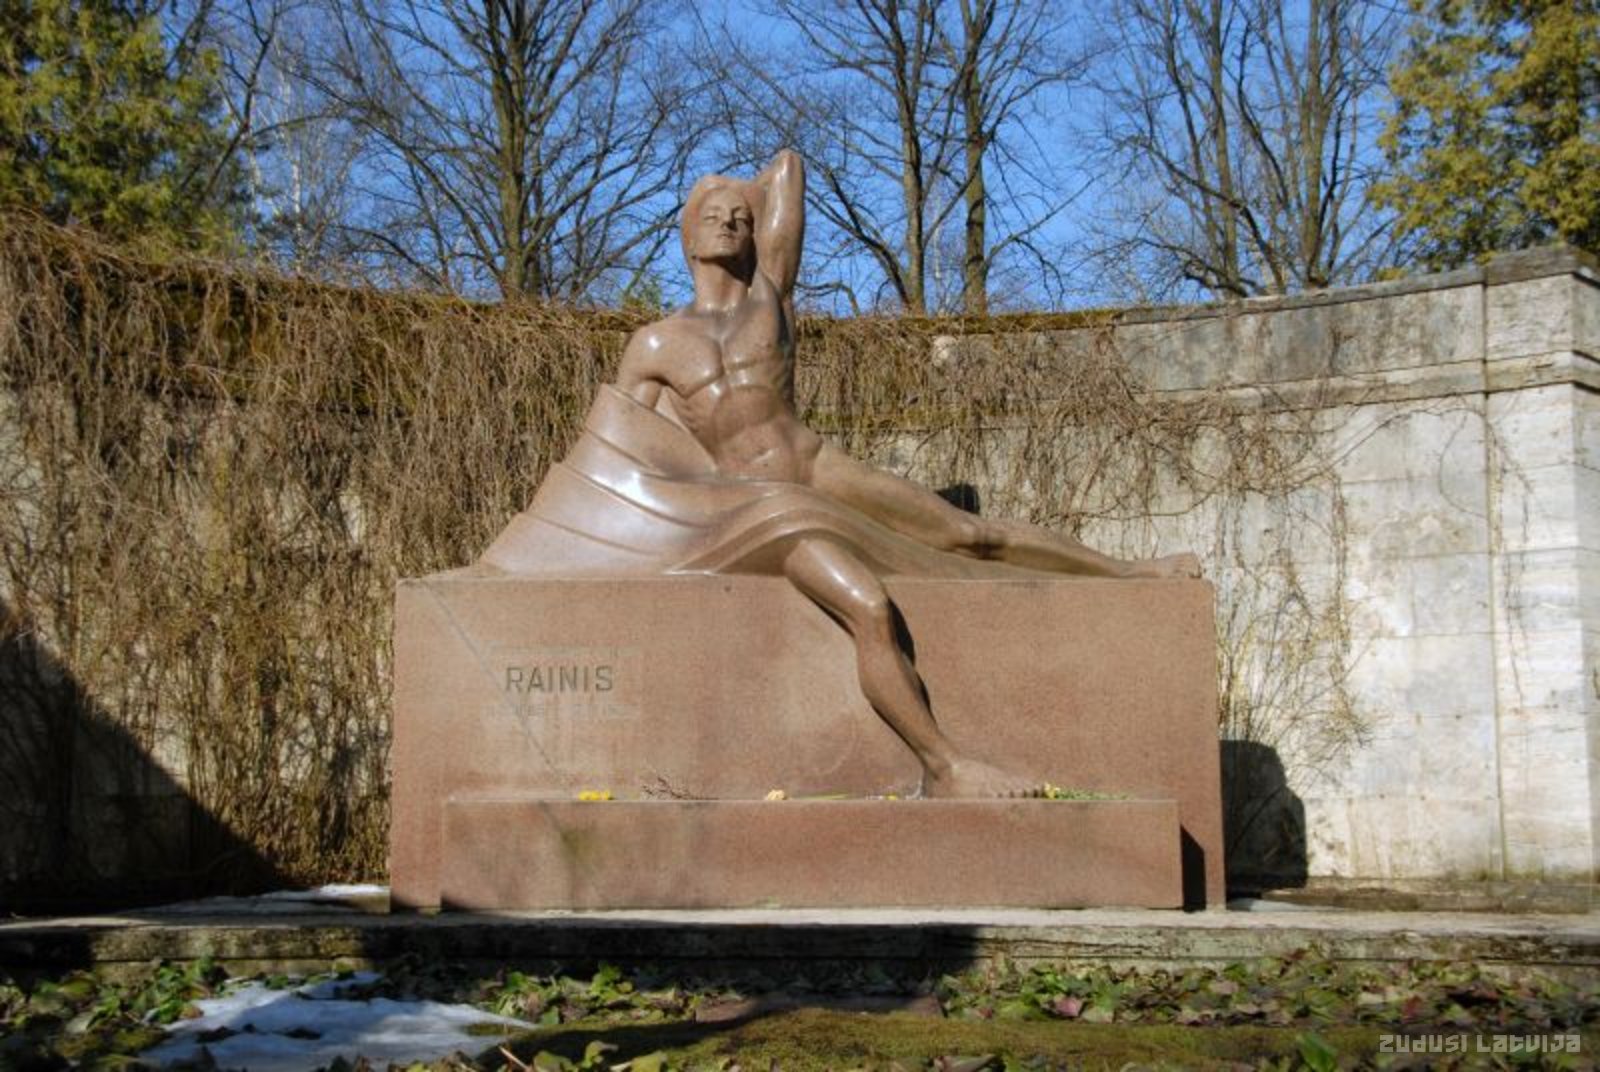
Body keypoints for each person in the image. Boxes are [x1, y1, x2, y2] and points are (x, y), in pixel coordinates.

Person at [480, 150, 1199, 797]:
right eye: (713, 216)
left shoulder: (769, 299)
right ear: (687, 237)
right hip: (760, 509)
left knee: (967, 533)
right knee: (870, 608)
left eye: (739, 217)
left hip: (819, 470)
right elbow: (618, 453)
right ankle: (947, 767)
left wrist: (739, 189)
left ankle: (1127, 574)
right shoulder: (655, 344)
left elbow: (788, 168)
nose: (729, 222)